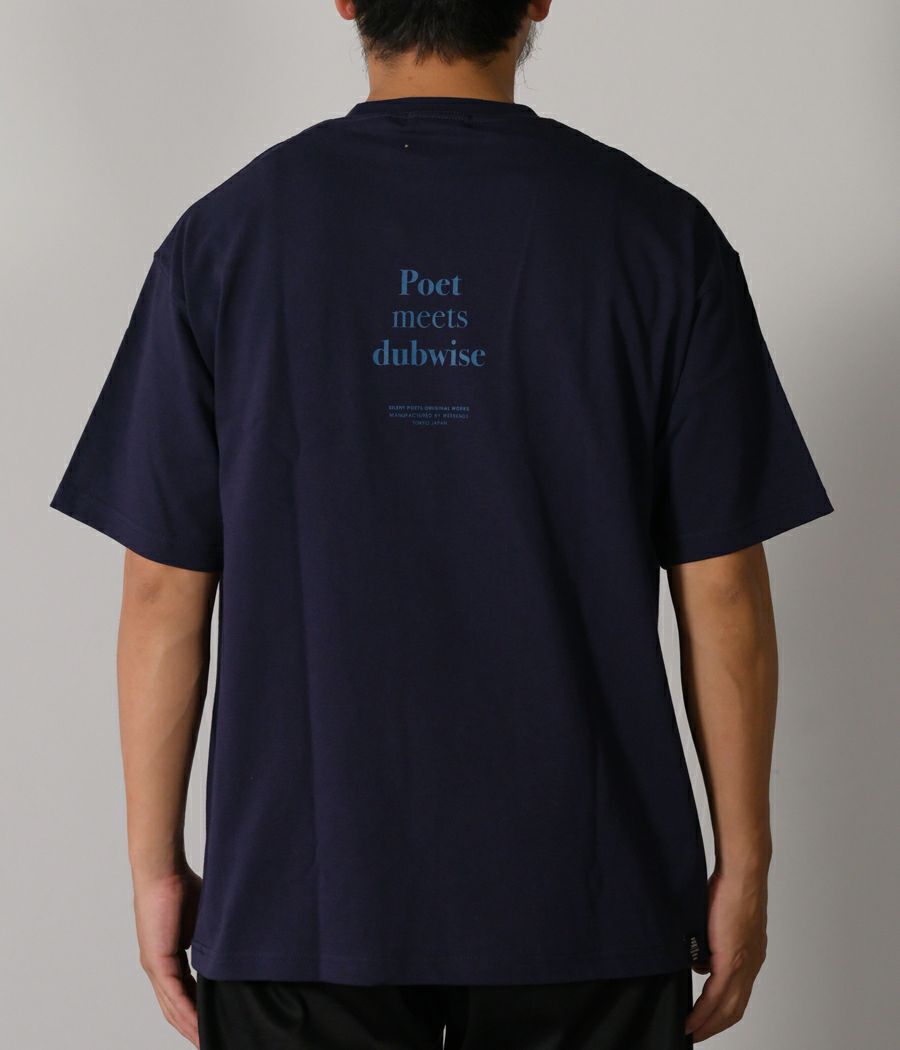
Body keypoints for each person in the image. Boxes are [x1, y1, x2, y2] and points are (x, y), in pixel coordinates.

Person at [49, 1, 834, 1047]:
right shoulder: (660, 237)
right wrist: (745, 863)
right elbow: (723, 590)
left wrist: (157, 870)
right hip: (587, 905)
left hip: (301, 903)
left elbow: (160, 590)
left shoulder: (226, 240)